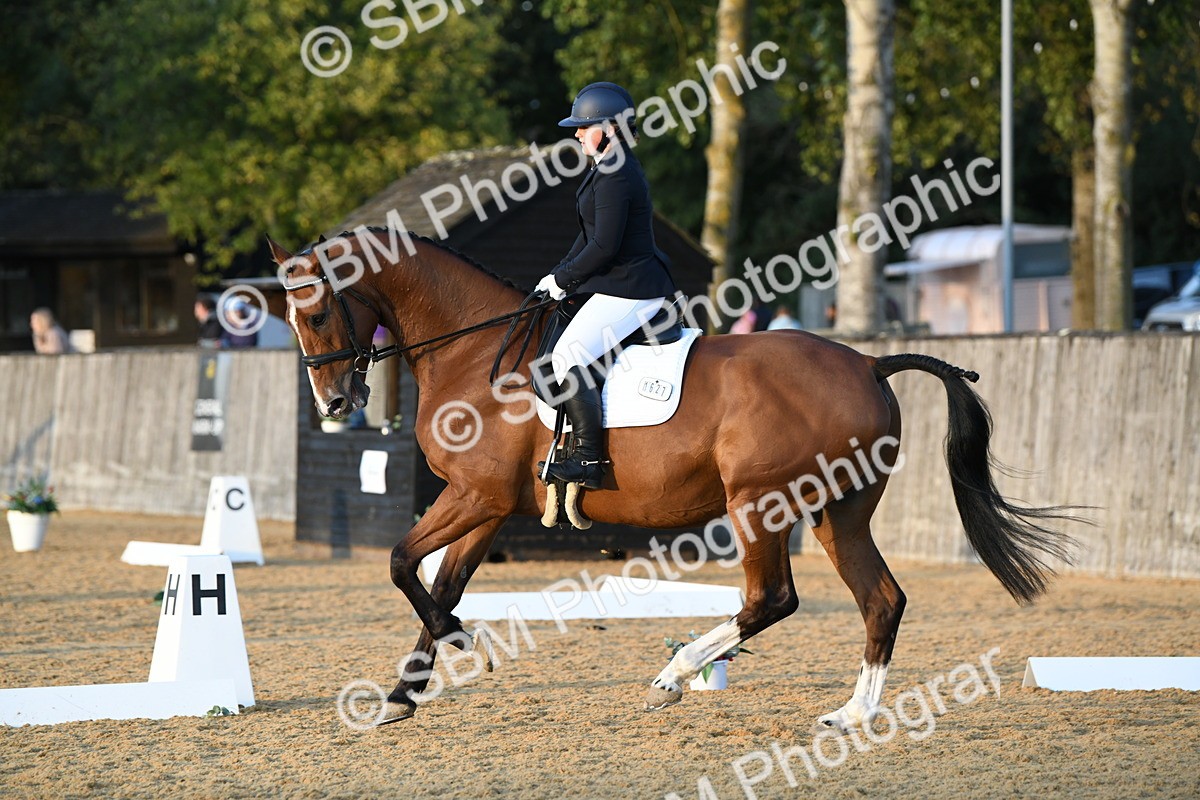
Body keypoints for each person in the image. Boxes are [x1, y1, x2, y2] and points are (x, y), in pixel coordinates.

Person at [534, 81, 677, 490]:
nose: (577, 133)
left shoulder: (617, 174)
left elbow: (604, 245)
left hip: (633, 287)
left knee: (567, 357)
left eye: (584, 126)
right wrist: (558, 274)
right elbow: (588, 235)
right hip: (617, 283)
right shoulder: (606, 167)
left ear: (610, 128)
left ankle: (588, 460)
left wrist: (565, 280)